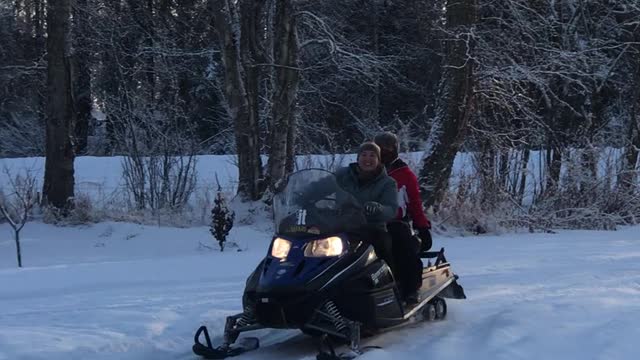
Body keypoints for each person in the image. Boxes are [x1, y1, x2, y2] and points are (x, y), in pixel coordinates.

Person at [374, 132, 432, 304]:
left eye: (388, 148)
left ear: (395, 150)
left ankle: (410, 288)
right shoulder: (367, 169)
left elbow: (414, 203)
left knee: (402, 245)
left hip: (395, 222)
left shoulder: (404, 174)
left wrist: (422, 227)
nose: (384, 152)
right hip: (366, 222)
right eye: (380, 148)